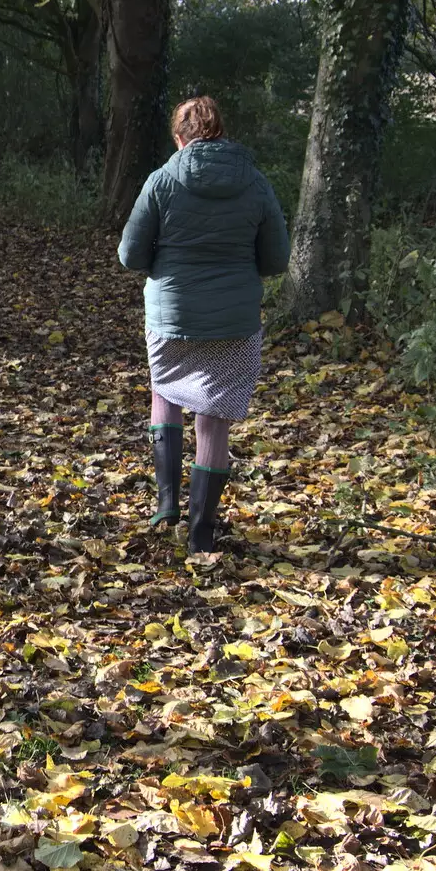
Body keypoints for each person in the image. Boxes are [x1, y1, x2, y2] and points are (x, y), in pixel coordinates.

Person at [117, 96, 291, 553]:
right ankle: (200, 535)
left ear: (180, 137)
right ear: (221, 132)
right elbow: (276, 259)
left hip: (170, 317)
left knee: (164, 392)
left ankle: (166, 503)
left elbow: (131, 255)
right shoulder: (254, 182)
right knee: (213, 423)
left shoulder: (161, 181)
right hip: (234, 321)